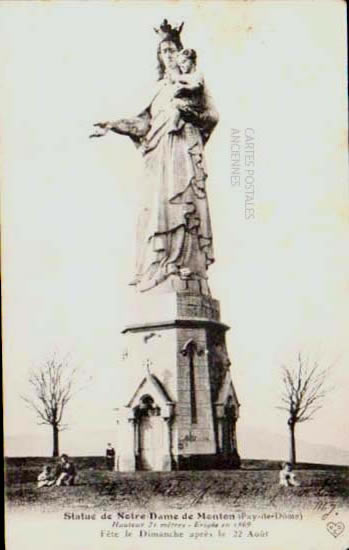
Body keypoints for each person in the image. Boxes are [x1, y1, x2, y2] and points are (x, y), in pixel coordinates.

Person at [91, 20, 219, 295]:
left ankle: (186, 265)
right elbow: (141, 124)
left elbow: (213, 116)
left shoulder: (193, 83)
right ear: (159, 58)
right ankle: (163, 265)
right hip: (159, 157)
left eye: (172, 49)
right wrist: (112, 125)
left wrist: (189, 115)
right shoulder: (158, 90)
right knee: (159, 208)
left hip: (184, 151)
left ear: (181, 52)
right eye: (163, 51)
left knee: (186, 208)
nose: (168, 56)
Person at [168, 48, 205, 133]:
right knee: (173, 104)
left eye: (184, 62)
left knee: (176, 104)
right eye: (180, 65)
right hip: (186, 105)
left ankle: (174, 125)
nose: (182, 66)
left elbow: (197, 86)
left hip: (194, 105)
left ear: (192, 61)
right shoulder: (184, 76)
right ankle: (175, 125)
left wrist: (185, 87)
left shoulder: (197, 75)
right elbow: (176, 81)